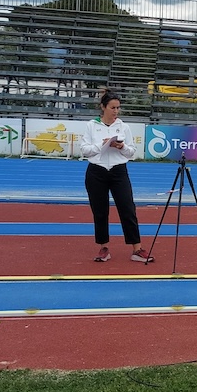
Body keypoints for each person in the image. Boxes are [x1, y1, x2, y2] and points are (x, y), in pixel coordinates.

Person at [80, 89, 153, 263]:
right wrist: (102, 144)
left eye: (118, 108)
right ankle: (103, 248)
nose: (116, 111)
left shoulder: (123, 126)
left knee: (127, 208)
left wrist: (122, 148)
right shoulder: (92, 125)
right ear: (103, 107)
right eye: (112, 107)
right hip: (96, 171)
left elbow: (132, 152)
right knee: (100, 211)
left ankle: (137, 248)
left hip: (118, 170)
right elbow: (84, 150)